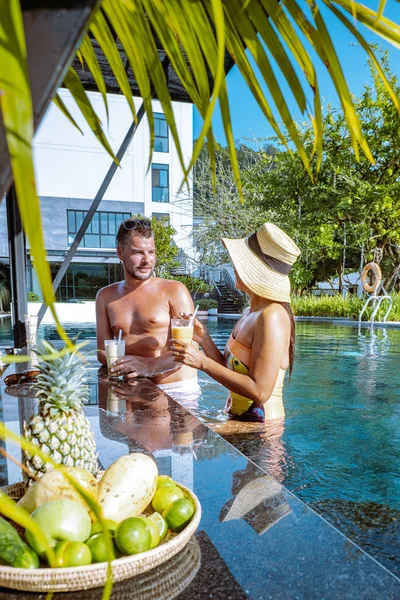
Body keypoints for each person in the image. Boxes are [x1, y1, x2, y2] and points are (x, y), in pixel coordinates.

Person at [171, 223, 301, 422]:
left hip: (261, 432)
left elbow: (260, 392)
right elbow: (230, 373)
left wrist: (202, 362)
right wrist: (204, 338)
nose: (234, 267)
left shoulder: (272, 316)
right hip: (239, 421)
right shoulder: (249, 312)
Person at [96, 217, 201, 400]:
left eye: (151, 252)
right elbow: (102, 351)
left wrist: (149, 366)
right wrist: (127, 365)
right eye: (138, 253)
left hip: (177, 390)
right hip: (132, 388)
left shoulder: (174, 290)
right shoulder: (105, 296)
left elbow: (190, 347)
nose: (147, 260)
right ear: (120, 252)